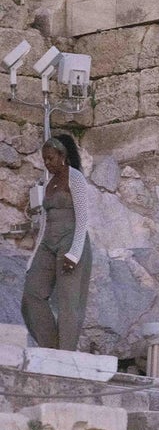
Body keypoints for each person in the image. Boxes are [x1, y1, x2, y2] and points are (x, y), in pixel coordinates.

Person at [21, 134, 92, 350]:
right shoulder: (48, 182)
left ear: (62, 155)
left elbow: (84, 218)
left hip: (71, 242)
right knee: (31, 296)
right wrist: (32, 259)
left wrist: (74, 253)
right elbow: (43, 224)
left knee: (68, 304)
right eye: (44, 159)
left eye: (50, 158)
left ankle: (66, 355)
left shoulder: (76, 178)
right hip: (48, 243)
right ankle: (52, 348)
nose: (47, 163)